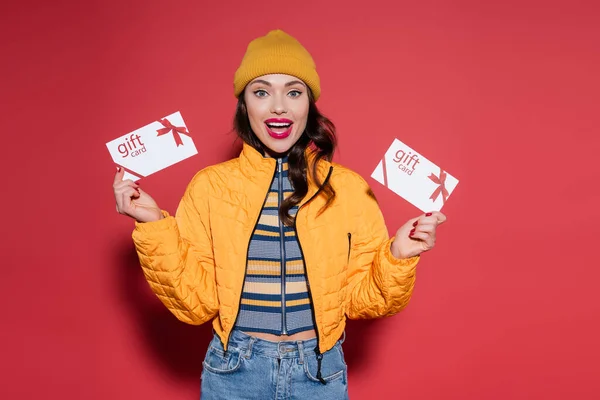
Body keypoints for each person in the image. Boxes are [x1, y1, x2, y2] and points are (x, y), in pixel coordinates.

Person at [113, 29, 446, 400]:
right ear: (245, 106)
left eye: (293, 91)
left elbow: (362, 301)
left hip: (319, 372)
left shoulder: (349, 188)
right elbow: (197, 304)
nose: (278, 107)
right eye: (261, 92)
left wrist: (399, 256)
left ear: (309, 105)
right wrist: (152, 224)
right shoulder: (210, 186)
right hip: (234, 371)